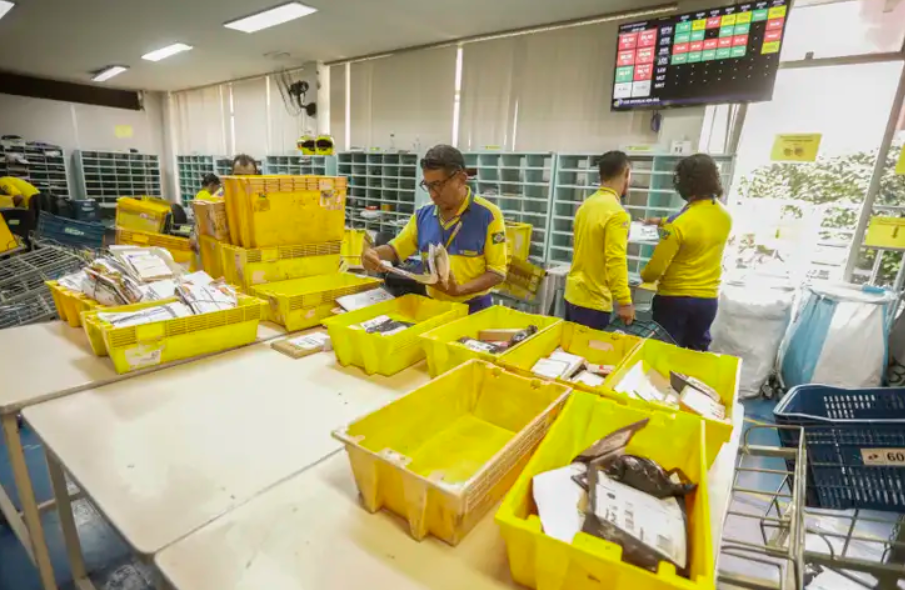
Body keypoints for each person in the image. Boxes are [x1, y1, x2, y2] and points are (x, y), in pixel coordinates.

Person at [362, 145, 507, 314]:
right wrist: (373, 254)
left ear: (461, 178)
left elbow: (497, 272)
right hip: (433, 305)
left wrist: (460, 290)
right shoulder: (423, 215)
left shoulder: (488, 215)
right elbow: (396, 249)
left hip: (474, 309)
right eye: (428, 185)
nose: (432, 194)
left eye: (438, 185)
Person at [640, 153, 732, 351]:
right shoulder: (724, 216)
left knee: (665, 353)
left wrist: (642, 276)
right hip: (707, 301)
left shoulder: (678, 225)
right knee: (695, 354)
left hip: (674, 301)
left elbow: (653, 272)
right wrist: (660, 221)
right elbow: (697, 223)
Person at [563, 151, 635, 330]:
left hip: (573, 295)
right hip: (594, 301)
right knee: (590, 355)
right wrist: (625, 301)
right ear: (626, 173)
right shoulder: (617, 213)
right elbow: (615, 259)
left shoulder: (587, 204)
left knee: (572, 353)